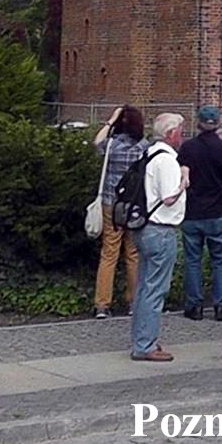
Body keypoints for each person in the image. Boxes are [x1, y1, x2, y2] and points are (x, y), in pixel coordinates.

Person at [177, 105, 222, 321]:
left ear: (199, 123)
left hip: (192, 211)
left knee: (193, 260)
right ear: (217, 124)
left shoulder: (187, 148)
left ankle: (194, 306)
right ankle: (221, 306)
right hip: (217, 211)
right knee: (220, 260)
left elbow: (181, 174)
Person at [132, 113, 189, 362]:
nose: (183, 136)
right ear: (171, 134)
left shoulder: (149, 153)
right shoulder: (167, 161)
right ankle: (146, 344)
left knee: (145, 287)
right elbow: (169, 197)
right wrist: (184, 180)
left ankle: (142, 338)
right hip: (161, 229)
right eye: (181, 131)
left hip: (145, 226)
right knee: (155, 288)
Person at [92, 104, 147, 319]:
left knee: (109, 253)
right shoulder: (143, 147)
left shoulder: (112, 145)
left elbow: (97, 143)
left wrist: (110, 121)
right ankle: (133, 302)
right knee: (133, 254)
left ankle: (102, 304)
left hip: (110, 203)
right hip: (133, 205)